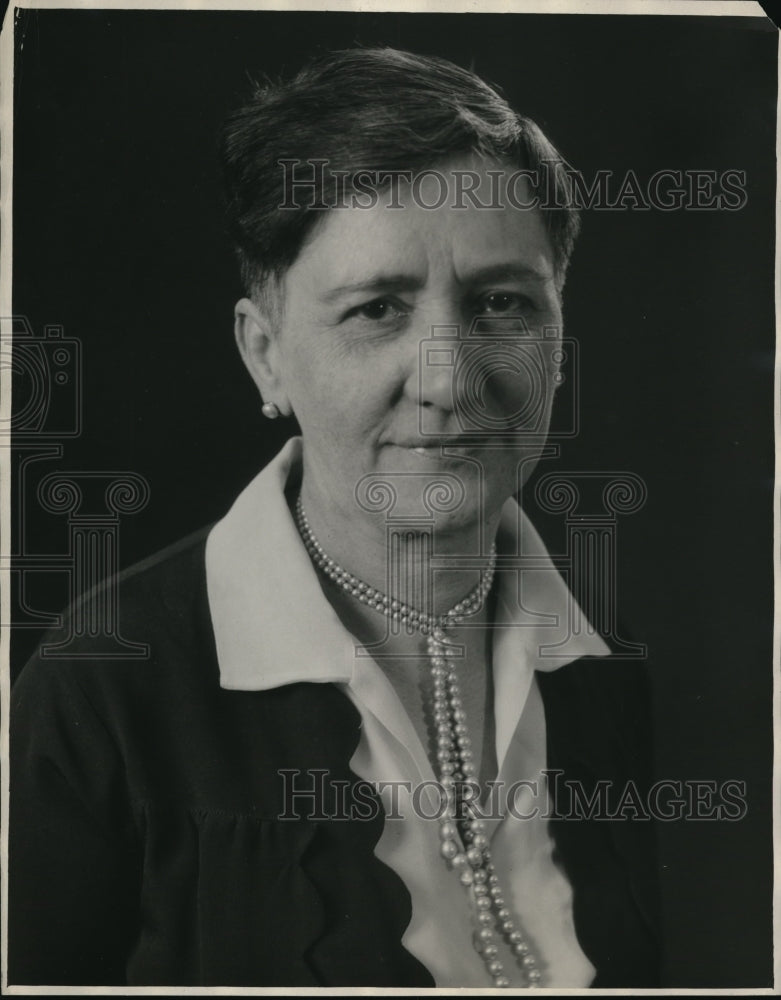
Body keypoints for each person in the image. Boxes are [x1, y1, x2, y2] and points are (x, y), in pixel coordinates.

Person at [9, 47, 660, 988]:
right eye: (377, 310)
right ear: (265, 354)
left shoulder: (600, 659)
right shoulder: (101, 694)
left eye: (501, 303)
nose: (448, 379)